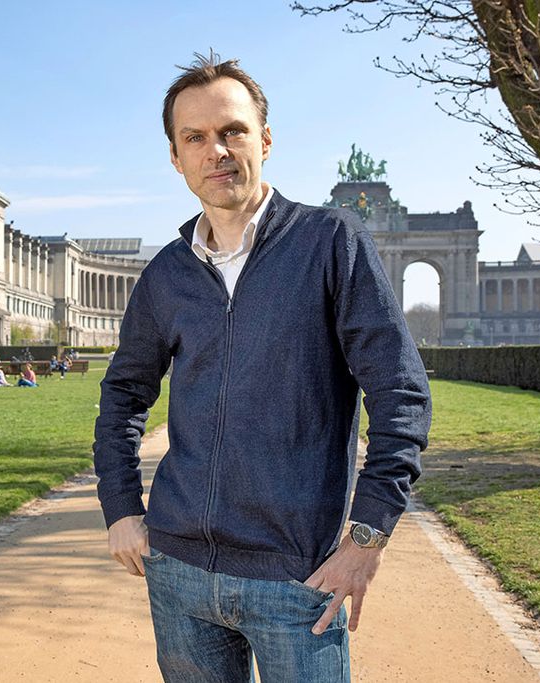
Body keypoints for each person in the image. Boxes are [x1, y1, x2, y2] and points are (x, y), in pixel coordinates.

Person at [93, 53, 431, 682]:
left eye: (232, 131)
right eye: (194, 138)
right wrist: (120, 507)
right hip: (179, 574)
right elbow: (122, 395)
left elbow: (402, 393)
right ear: (175, 157)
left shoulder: (331, 242)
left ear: (265, 140)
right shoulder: (167, 272)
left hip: (296, 577)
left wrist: (366, 538)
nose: (215, 150)